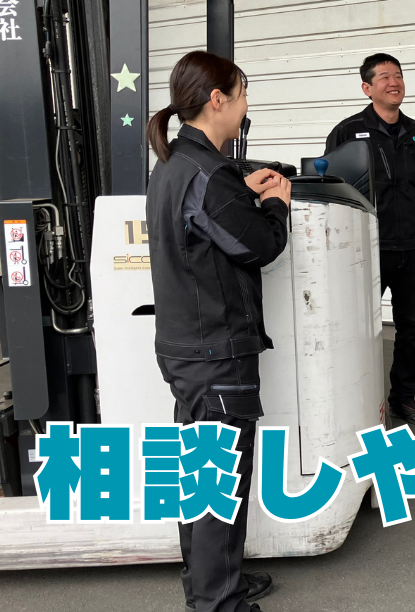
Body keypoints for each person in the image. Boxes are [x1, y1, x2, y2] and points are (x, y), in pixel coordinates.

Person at [146, 51, 292, 612]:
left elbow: (209, 223)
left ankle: (214, 585)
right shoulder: (208, 174)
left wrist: (240, 190)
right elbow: (260, 245)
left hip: (188, 347)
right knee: (217, 482)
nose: (246, 105)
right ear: (217, 100)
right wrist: (275, 204)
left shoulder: (177, 165)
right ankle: (217, 602)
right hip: (215, 352)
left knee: (202, 477)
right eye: (243, 94)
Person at [326, 53, 415, 425]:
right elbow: (332, 189)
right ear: (366, 88)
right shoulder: (347, 132)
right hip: (366, 246)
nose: (394, 82)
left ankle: (403, 398)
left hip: (412, 244)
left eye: (398, 75)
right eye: (384, 76)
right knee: (358, 327)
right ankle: (357, 402)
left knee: (411, 326)